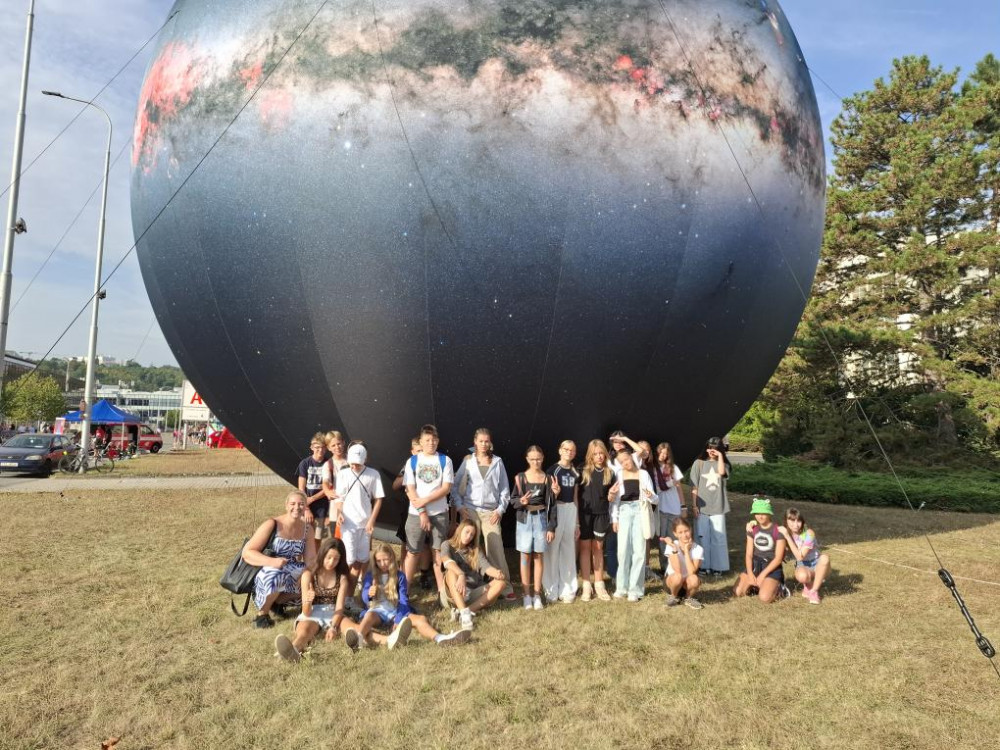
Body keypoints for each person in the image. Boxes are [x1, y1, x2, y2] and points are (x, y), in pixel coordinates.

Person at [345, 542, 471, 650]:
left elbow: (404, 599)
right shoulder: (370, 575)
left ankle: (441, 638)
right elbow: (364, 597)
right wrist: (369, 594)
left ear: (392, 558)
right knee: (368, 616)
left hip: (395, 610)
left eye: (385, 559)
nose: (382, 563)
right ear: (375, 561)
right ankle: (358, 638)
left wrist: (399, 618)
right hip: (377, 611)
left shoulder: (399, 576)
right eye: (379, 561)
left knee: (420, 619)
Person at [450, 428, 515, 600]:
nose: (484, 444)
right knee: (469, 548)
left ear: (490, 442)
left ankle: (504, 585)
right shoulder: (468, 461)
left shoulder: (498, 462)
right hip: (470, 510)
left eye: (487, 441)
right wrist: (460, 507)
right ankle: (471, 583)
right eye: (481, 441)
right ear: (475, 442)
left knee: (495, 547)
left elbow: (505, 490)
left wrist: (500, 510)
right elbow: (455, 487)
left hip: (490, 512)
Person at [242, 490, 317, 629]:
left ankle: (278, 603)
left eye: (301, 504)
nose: (297, 507)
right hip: (268, 568)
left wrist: (307, 576)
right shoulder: (272, 524)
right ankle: (262, 615)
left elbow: (311, 560)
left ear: (305, 506)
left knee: (313, 580)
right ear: (286, 505)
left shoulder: (308, 529)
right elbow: (247, 553)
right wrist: (272, 562)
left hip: (292, 567)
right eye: (293, 504)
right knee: (276, 574)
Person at [274, 537, 355, 662]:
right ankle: (293, 651)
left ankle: (379, 640)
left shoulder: (342, 578)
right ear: (322, 554)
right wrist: (308, 600)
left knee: (352, 628)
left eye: (336, 559)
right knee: (304, 632)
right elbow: (306, 612)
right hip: (312, 612)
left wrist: (333, 627)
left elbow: (339, 607)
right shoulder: (309, 575)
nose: (331, 562)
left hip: (333, 612)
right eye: (329, 557)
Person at [403, 424, 454, 608]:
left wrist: (425, 501)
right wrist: (422, 511)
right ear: (421, 441)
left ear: (437, 441)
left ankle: (443, 594)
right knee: (412, 553)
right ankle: (404, 593)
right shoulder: (412, 461)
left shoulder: (445, 460)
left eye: (433, 440)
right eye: (427, 440)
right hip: (416, 515)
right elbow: (410, 488)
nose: (431, 443)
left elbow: (446, 488)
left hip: (439, 514)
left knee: (438, 553)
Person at [333, 443, 384, 610]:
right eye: (352, 463)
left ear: (365, 460)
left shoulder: (373, 474)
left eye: (357, 463)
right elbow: (339, 498)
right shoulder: (343, 474)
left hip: (365, 525)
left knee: (359, 562)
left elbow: (378, 499)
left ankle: (348, 598)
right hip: (348, 525)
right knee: (346, 562)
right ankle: (335, 596)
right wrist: (340, 513)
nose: (354, 466)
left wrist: (372, 520)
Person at [440, 519, 507, 630]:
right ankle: (464, 614)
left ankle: (465, 612)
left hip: (472, 593)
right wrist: (461, 574)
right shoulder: (447, 544)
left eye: (472, 535)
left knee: (501, 583)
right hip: (453, 594)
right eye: (467, 532)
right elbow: (446, 561)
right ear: (460, 530)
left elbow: (486, 567)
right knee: (451, 572)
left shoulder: (475, 549)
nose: (469, 536)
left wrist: (497, 573)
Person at [512, 445, 557, 610]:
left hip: (541, 519)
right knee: (525, 556)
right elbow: (513, 500)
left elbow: (552, 505)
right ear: (527, 459)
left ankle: (537, 594)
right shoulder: (520, 478)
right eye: (532, 459)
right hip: (524, 520)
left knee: (538, 556)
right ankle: (526, 595)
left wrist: (551, 527)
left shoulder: (548, 479)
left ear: (542, 458)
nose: (535, 462)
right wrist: (521, 501)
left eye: (538, 459)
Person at [610, 448, 656, 601]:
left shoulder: (643, 474)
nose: (625, 463)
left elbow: (655, 499)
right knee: (623, 551)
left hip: (640, 511)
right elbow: (615, 500)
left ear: (631, 457)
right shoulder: (618, 475)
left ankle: (635, 590)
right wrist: (614, 519)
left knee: (639, 551)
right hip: (624, 511)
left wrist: (651, 496)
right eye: (621, 462)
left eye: (626, 459)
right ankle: (621, 588)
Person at [578, 439, 616, 602]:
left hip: (601, 515)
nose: (599, 456)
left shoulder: (610, 472)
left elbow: (611, 497)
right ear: (590, 455)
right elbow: (575, 494)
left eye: (601, 453)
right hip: (585, 515)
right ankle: (587, 584)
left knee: (598, 548)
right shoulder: (582, 470)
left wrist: (611, 495)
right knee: (585, 548)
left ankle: (599, 584)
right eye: (596, 454)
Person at [543, 440, 580, 603]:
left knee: (568, 549)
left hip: (570, 509)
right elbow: (547, 497)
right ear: (560, 450)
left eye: (572, 450)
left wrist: (577, 522)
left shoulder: (575, 472)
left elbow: (575, 497)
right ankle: (550, 589)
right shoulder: (552, 470)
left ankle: (568, 589)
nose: (569, 452)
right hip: (556, 509)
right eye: (566, 449)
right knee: (552, 550)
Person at [690, 437, 732, 576]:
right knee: (702, 537)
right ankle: (703, 565)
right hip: (702, 507)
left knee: (718, 537)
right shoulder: (699, 463)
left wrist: (720, 456)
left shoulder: (724, 464)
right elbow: (694, 487)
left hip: (718, 506)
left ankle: (718, 566)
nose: (712, 450)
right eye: (710, 447)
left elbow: (721, 472)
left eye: (716, 448)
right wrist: (694, 505)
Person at [734, 497, 788, 602]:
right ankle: (758, 586)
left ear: (769, 513)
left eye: (763, 513)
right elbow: (749, 554)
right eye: (757, 513)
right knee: (738, 592)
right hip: (756, 564)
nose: (760, 516)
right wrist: (750, 573)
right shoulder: (752, 529)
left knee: (765, 598)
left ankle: (780, 588)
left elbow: (778, 559)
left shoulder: (778, 531)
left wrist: (763, 575)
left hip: (771, 566)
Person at [780, 507, 831, 604]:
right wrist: (752, 525)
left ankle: (813, 591)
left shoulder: (809, 533)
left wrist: (787, 536)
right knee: (802, 576)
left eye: (798, 521)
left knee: (825, 558)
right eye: (792, 520)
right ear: (786, 521)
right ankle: (808, 585)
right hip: (802, 565)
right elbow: (769, 530)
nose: (796, 524)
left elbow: (800, 556)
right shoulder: (786, 533)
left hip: (817, 563)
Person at [653, 442, 685, 571]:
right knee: (662, 539)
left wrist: (683, 506)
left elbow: (679, 488)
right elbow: (656, 489)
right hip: (661, 508)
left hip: (674, 507)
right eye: (661, 453)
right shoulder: (653, 469)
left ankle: (676, 566)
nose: (663, 455)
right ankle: (664, 566)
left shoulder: (673, 468)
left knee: (675, 538)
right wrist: (669, 484)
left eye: (665, 453)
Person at [661, 517, 704, 609]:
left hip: (687, 584)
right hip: (673, 583)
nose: (684, 535)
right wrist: (674, 548)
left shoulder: (698, 549)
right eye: (680, 532)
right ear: (675, 534)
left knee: (694, 578)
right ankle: (673, 596)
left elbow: (691, 572)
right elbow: (677, 570)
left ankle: (688, 598)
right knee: (678, 576)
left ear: (690, 530)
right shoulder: (672, 545)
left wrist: (687, 551)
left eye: (686, 531)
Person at [296, 433, 330, 543]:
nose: (320, 450)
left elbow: (329, 488)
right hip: (306, 505)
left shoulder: (329, 464)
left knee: (317, 538)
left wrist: (313, 498)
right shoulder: (305, 463)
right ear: (312, 447)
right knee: (302, 538)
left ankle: (315, 555)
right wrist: (306, 509)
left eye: (323, 447)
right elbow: (301, 488)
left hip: (322, 507)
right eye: (317, 447)